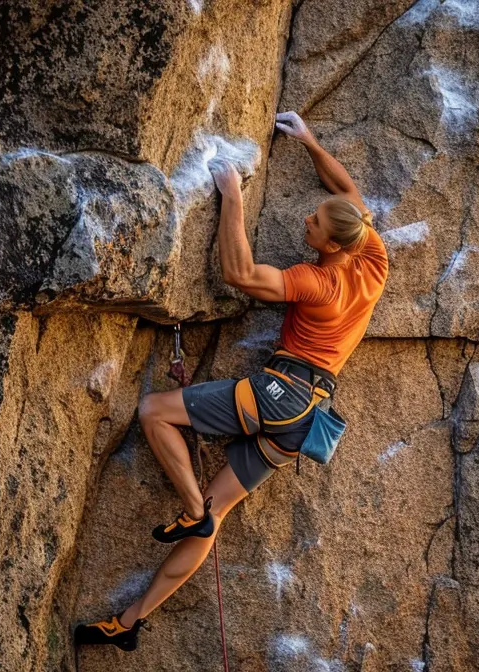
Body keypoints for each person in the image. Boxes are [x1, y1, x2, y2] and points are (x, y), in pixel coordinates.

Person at [73, 111, 389, 651]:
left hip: (281, 393)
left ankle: (191, 510)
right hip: (304, 418)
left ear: (335, 245)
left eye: (314, 223)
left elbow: (240, 274)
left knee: (154, 412)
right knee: (216, 517)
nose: (306, 223)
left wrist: (232, 194)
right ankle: (129, 623)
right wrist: (310, 142)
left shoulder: (320, 283)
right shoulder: (372, 256)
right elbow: (349, 192)